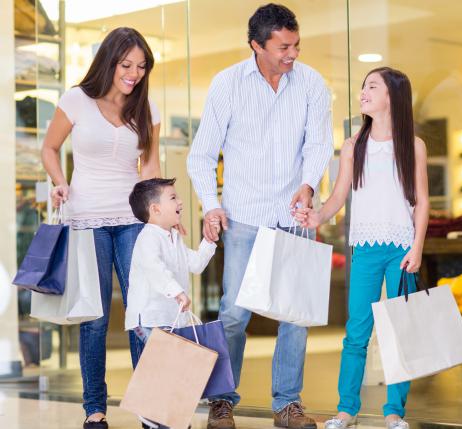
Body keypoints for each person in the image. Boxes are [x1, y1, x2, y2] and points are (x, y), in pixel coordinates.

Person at [187, 4, 333, 429]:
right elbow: (200, 156)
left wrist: (308, 184)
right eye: (283, 47)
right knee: (233, 315)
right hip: (243, 216)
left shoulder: (311, 83)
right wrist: (210, 204)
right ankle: (222, 401)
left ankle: (287, 405)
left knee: (295, 314)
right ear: (257, 45)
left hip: (293, 217)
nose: (292, 54)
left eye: (296, 45)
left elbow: (320, 145)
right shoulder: (228, 84)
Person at [294, 67, 429, 429]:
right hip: (365, 249)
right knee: (357, 332)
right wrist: (317, 216)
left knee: (400, 331)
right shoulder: (354, 145)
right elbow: (339, 195)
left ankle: (394, 412)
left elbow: (422, 203)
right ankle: (346, 410)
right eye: (363, 87)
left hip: (401, 250)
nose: (363, 93)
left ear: (392, 96)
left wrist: (417, 247)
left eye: (372, 86)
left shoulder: (413, 146)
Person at [41, 27, 161, 429]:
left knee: (140, 311)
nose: (134, 73)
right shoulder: (77, 99)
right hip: (86, 216)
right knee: (94, 316)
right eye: (126, 65)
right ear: (108, 61)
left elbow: (151, 168)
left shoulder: (147, 108)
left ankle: (150, 406)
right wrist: (60, 182)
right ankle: (95, 408)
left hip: (132, 219)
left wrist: (161, 216)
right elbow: (49, 147)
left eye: (141, 67)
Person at [126, 177, 216, 429]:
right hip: (149, 317)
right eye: (173, 198)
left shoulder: (173, 238)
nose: (180, 202)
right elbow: (155, 270)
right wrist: (177, 292)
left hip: (169, 317)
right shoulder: (148, 238)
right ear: (155, 209)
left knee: (172, 369)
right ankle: (152, 415)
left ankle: (167, 418)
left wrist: (209, 241)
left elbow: (196, 265)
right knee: (165, 368)